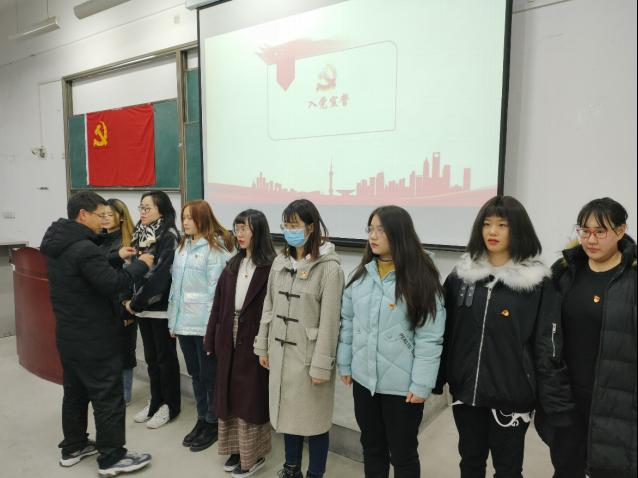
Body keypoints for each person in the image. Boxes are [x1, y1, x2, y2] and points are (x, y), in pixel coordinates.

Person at [433, 195, 574, 478]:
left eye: (502, 225)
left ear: (518, 229)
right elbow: (444, 332)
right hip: (467, 392)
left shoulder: (537, 283)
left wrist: (554, 402)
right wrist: (438, 380)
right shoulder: (462, 277)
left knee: (508, 470)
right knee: (470, 463)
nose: (492, 231)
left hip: (512, 396)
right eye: (487, 224)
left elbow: (547, 345)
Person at [40, 191, 153, 477]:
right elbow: (112, 284)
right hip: (94, 337)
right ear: (83, 214)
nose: (104, 220)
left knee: (75, 392)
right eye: (100, 215)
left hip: (69, 334)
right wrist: (142, 264)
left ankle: (74, 446)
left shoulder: (59, 243)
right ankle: (112, 457)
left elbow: (87, 271)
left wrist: (115, 256)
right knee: (107, 395)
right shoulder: (84, 248)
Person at [337, 206, 446, 478]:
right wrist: (345, 363)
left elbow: (430, 338)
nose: (373, 236)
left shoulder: (421, 279)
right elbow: (348, 322)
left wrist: (421, 384)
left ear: (399, 234)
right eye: (371, 229)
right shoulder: (360, 276)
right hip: (364, 383)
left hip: (403, 389)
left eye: (381, 230)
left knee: (403, 454)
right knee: (372, 448)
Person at [545, 197, 636, 478]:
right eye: (584, 231)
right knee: (566, 468)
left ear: (621, 231)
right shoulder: (565, 272)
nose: (591, 239)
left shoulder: (631, 277)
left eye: (600, 231)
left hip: (617, 401)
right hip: (568, 397)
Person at [254, 199, 344, 478]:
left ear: (311, 227)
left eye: (294, 225)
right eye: (285, 225)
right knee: (286, 414)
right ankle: (290, 468)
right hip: (280, 354)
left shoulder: (329, 268)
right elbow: (269, 306)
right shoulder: (280, 262)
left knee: (314, 422)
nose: (289, 230)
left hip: (309, 357)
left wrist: (321, 366)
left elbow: (330, 323)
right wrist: (262, 345)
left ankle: (315, 473)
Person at [205, 209, 276, 478]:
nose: (239, 234)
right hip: (228, 334)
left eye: (245, 228)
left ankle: (253, 455)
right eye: (237, 229)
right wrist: (210, 337)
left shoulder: (272, 267)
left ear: (259, 231)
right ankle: (236, 450)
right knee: (229, 394)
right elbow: (217, 304)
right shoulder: (233, 264)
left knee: (250, 397)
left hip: (256, 338)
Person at [168, 200, 233, 451]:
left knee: (210, 378)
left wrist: (210, 331)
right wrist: (173, 321)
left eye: (190, 218)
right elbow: (176, 289)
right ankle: (202, 418)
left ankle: (213, 423)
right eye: (183, 217)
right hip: (184, 325)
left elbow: (216, 296)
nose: (185, 222)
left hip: (204, 328)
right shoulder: (182, 247)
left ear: (203, 219)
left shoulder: (215, 250)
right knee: (195, 375)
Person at [124, 191, 181, 429]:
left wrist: (136, 302)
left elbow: (161, 276)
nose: (142, 212)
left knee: (165, 359)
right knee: (151, 359)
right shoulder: (141, 233)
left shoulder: (169, 236)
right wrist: (131, 300)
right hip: (141, 307)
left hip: (160, 307)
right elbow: (132, 268)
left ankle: (170, 405)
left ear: (162, 210)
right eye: (141, 207)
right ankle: (156, 401)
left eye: (147, 208)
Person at [99, 198, 138, 405]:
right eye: (102, 215)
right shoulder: (99, 239)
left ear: (121, 217)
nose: (104, 218)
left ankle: (124, 395)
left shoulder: (128, 241)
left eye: (109, 214)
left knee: (124, 352)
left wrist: (126, 308)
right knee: (106, 351)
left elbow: (130, 278)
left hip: (122, 305)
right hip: (103, 305)